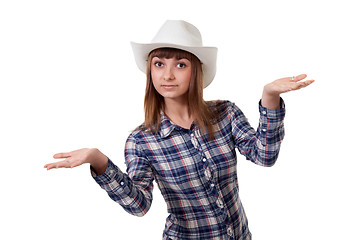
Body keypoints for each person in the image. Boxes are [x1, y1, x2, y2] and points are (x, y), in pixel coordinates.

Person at [44, 20, 314, 240]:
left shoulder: (225, 113)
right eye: (159, 64)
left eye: (180, 65)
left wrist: (269, 97)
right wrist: (98, 160)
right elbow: (139, 205)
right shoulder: (141, 141)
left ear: (195, 71)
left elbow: (264, 156)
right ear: (150, 71)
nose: (167, 75)